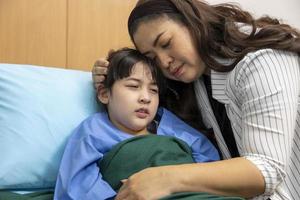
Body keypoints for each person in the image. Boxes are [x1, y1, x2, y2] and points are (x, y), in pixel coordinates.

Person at [92, 0, 300, 199]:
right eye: (153, 58)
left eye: (166, 43)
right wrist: (108, 79)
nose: (164, 62)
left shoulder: (261, 60)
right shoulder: (198, 77)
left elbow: (266, 169)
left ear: (192, 21)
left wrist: (165, 177)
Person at [54, 48, 220, 200]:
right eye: (133, 86)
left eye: (153, 90)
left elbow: (209, 163)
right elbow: (77, 185)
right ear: (104, 94)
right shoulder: (93, 130)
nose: (145, 98)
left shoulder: (167, 123)